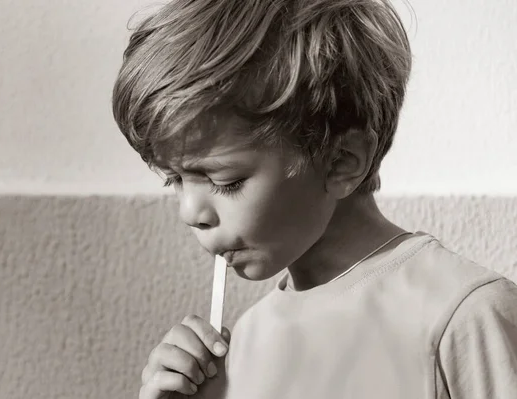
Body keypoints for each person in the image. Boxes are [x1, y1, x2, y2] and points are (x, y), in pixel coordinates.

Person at [112, 0, 517, 397]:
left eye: (227, 181)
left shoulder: (464, 315)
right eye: (175, 180)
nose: (190, 212)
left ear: (342, 162)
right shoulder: (244, 345)